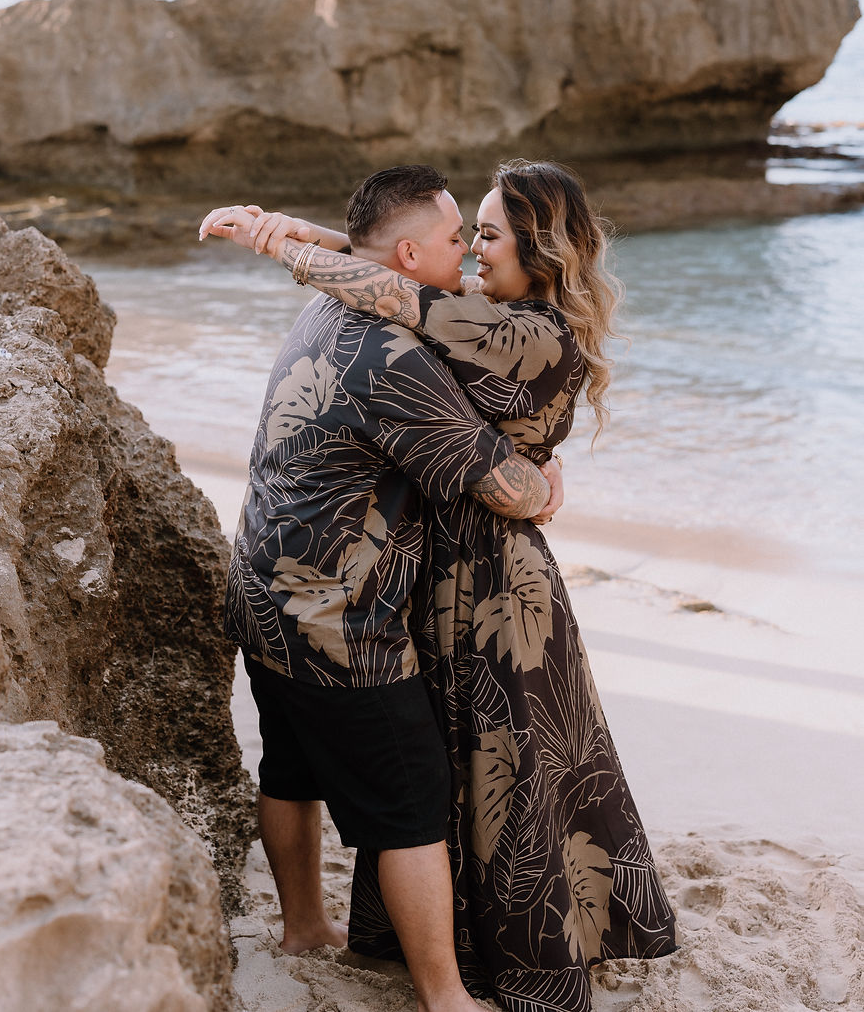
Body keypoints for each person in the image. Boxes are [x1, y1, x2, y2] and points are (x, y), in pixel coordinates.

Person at [202, 159, 678, 1012]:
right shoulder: (402, 344)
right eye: (466, 234)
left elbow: (402, 285)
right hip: (348, 610)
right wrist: (540, 484)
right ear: (415, 249)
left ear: (540, 249)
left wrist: (300, 241)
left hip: (289, 586)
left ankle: (314, 927)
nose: (470, 250)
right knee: (420, 800)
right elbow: (504, 482)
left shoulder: (348, 307)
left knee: (466, 767)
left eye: (486, 234)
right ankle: (443, 992)